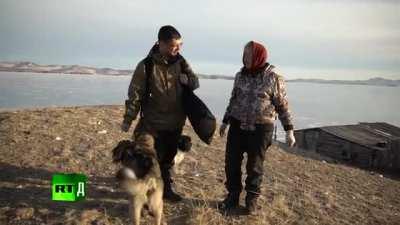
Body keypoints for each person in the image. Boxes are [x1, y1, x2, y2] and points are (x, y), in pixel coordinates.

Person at [121, 25, 199, 202]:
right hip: (152, 123)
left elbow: (195, 82)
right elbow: (135, 94)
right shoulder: (146, 66)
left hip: (175, 123)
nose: (178, 49)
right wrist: (128, 118)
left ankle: (166, 189)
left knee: (168, 159)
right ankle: (146, 189)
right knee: (148, 158)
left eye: (180, 45)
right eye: (174, 45)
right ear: (161, 44)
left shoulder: (182, 62)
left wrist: (189, 81)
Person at [219, 41, 296, 214]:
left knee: (254, 166)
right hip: (237, 126)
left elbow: (283, 106)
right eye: (244, 54)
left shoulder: (273, 78)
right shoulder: (240, 76)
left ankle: (251, 201)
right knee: (231, 163)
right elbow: (233, 100)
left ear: (259, 56)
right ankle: (232, 196)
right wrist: (225, 122)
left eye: (249, 55)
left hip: (261, 130)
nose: (245, 58)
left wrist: (289, 130)